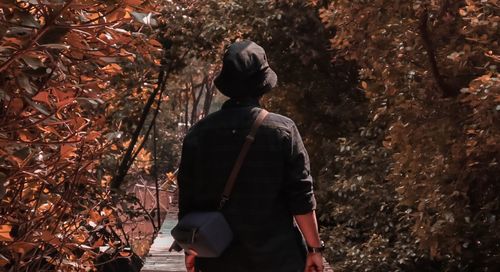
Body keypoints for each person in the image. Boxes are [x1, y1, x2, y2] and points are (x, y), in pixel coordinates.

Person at [177, 40, 325, 272]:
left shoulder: (198, 134)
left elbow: (188, 200)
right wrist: (314, 250)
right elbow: (301, 197)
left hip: (218, 257)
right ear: (262, 84)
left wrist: (191, 249)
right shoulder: (283, 130)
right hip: (278, 259)